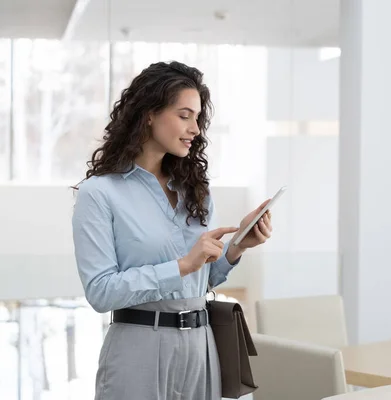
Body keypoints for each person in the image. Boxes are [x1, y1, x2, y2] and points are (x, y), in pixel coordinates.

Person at [72, 61, 273, 400]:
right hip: (138, 349)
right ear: (149, 113)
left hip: (202, 348)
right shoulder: (99, 193)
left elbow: (202, 278)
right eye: (184, 115)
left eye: (197, 118)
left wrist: (237, 247)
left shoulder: (197, 190)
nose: (195, 128)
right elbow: (101, 292)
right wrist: (181, 266)